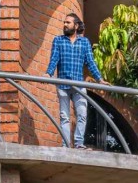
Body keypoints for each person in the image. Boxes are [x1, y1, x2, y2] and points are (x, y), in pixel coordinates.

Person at [45, 12, 107, 148]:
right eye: (64, 22)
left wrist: (99, 79)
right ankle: (66, 144)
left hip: (79, 85)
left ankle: (79, 143)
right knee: (64, 117)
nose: (65, 25)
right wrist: (49, 74)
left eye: (68, 22)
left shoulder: (84, 42)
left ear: (76, 25)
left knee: (82, 115)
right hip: (63, 84)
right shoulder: (58, 40)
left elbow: (90, 62)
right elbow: (54, 58)